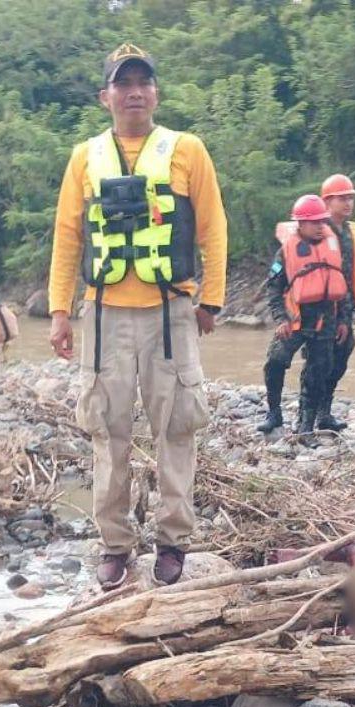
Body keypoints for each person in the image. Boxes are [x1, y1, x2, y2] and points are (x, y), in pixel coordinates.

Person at [47, 43, 227, 588]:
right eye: (122, 84)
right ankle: (115, 544)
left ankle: (173, 540)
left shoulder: (187, 149)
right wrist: (59, 312)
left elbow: (212, 226)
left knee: (177, 426)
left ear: (156, 92)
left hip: (170, 311)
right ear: (105, 97)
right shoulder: (84, 156)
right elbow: (67, 237)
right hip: (103, 315)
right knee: (107, 429)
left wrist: (211, 299)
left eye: (143, 82)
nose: (134, 92)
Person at [256, 194, 348, 444]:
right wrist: (280, 319)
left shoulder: (333, 244)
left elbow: (343, 284)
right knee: (275, 362)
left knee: (317, 373)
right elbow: (274, 289)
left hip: (326, 320)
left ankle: (305, 427)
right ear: (300, 224)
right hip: (294, 319)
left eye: (322, 221)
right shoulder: (286, 252)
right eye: (314, 222)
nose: (320, 226)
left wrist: (344, 320)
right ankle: (274, 412)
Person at [314, 173, 355, 432]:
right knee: (318, 362)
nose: (348, 203)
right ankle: (306, 418)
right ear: (327, 201)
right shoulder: (317, 230)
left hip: (344, 308)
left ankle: (325, 412)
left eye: (350, 199)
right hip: (319, 309)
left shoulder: (350, 232)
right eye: (342, 198)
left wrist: (348, 312)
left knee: (341, 357)